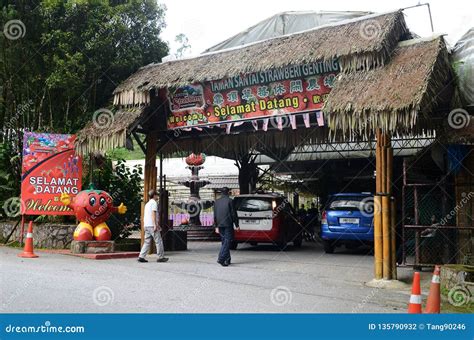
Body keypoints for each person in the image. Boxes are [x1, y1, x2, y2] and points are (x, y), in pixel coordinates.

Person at [138, 189, 169, 263]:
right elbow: (153, 214)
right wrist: (155, 225)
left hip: (147, 225)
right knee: (158, 241)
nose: (158, 196)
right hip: (152, 225)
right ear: (154, 195)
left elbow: (146, 215)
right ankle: (161, 257)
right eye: (157, 195)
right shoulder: (154, 203)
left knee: (147, 242)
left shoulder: (147, 204)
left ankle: (141, 256)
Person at [214, 187, 239, 267]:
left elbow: (215, 215)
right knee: (227, 242)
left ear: (221, 193)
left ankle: (227, 260)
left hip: (220, 224)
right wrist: (237, 224)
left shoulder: (216, 202)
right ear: (228, 192)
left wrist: (216, 226)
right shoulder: (230, 201)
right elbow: (233, 214)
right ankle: (221, 258)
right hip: (228, 224)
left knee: (224, 242)